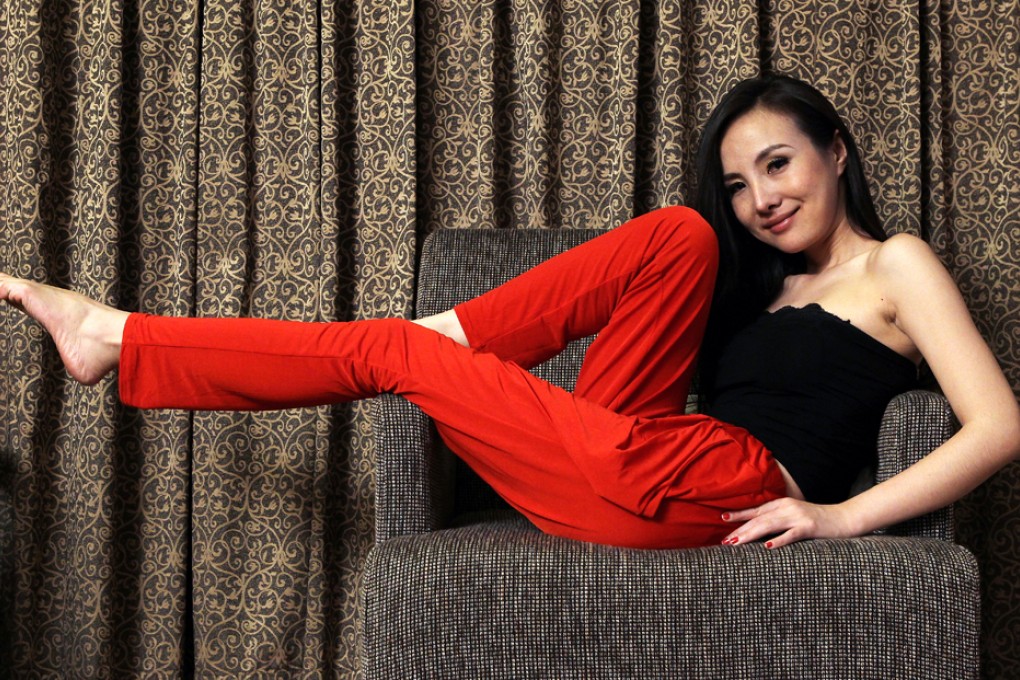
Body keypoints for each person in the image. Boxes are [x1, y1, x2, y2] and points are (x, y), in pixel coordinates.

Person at [1, 75, 1017, 550]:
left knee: (394, 350)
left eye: (780, 164)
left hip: (719, 482)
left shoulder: (897, 264)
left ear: (835, 150)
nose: (763, 199)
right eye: (742, 183)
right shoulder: (762, 279)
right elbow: (671, 313)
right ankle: (456, 339)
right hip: (645, 450)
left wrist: (839, 516)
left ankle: (118, 335)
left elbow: (998, 425)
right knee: (681, 235)